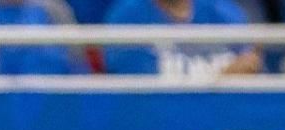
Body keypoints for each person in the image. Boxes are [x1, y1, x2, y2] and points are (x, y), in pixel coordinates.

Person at [101, 0, 260, 78]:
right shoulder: (126, 17)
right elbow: (140, 95)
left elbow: (249, 64)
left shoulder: (223, 11)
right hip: (157, 127)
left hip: (226, 119)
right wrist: (221, 78)